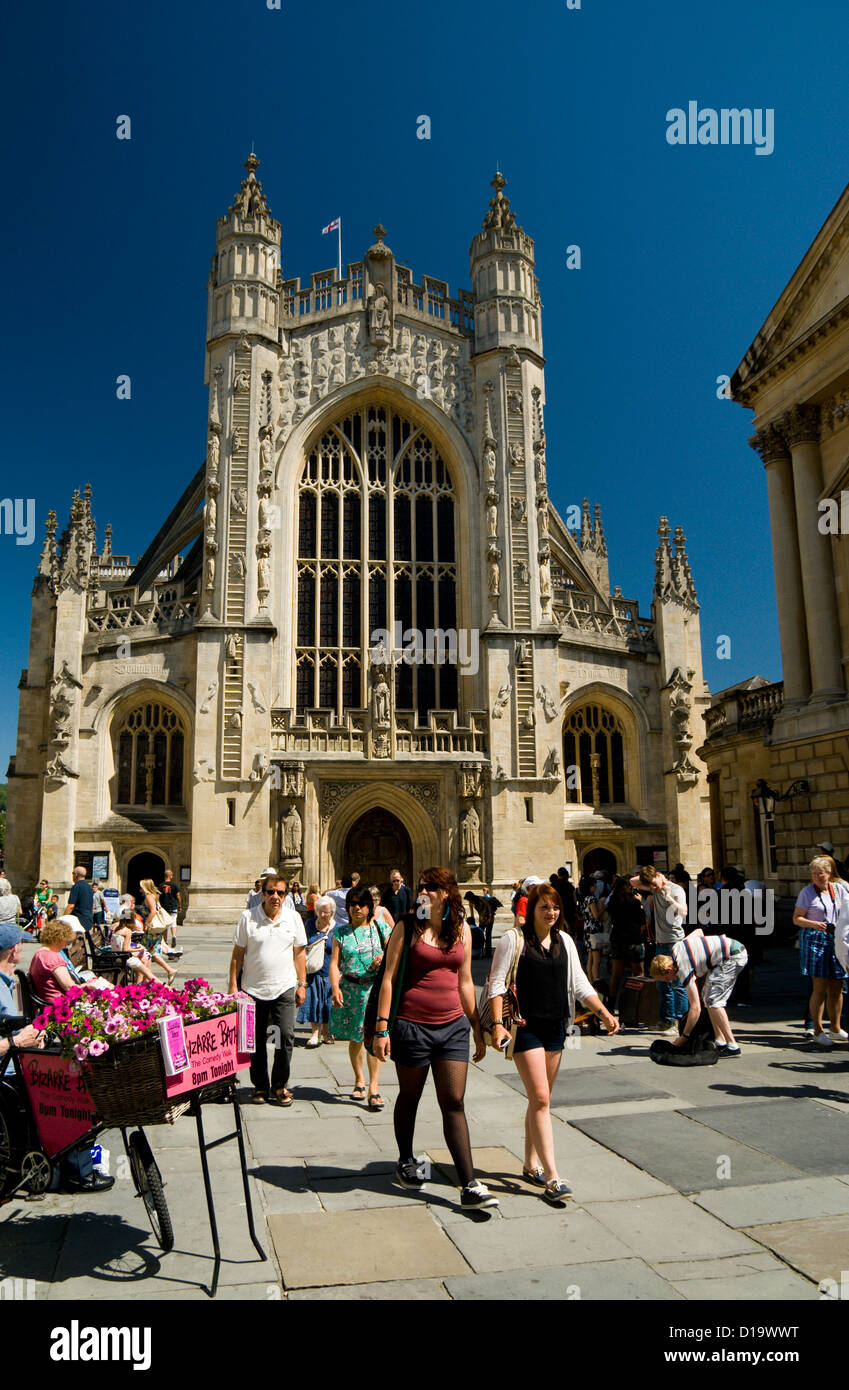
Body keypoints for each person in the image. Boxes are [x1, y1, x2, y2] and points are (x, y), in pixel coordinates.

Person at [373, 866, 499, 1210]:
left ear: (446, 893)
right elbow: (389, 977)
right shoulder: (407, 926)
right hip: (412, 1025)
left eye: (430, 887)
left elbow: (465, 981)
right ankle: (405, 1159)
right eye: (420, 887)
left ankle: (469, 1184)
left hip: (453, 1027)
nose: (422, 892)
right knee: (410, 1096)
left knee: (454, 1101)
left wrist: (476, 1026)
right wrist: (382, 1028)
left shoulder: (462, 929)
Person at [489, 883, 618, 1202]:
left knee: (539, 1100)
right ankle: (553, 1178)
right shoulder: (513, 940)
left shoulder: (565, 941)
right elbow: (496, 983)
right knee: (542, 1097)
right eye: (544, 907)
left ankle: (530, 1164)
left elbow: (579, 984)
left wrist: (603, 1013)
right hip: (525, 1027)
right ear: (531, 909)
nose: (551, 913)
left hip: (556, 1026)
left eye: (555, 907)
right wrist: (497, 1025)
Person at [0, 923, 114, 1193]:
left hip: (19, 1058)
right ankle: (78, 1171)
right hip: (9, 1069)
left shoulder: (6, 981)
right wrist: (19, 1041)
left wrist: (31, 1037)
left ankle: (69, 1161)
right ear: (14, 950)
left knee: (76, 1073)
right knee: (72, 1091)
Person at [228, 872, 307, 1105]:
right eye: (271, 892)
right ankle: (260, 1086)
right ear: (262, 894)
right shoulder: (248, 917)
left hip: (284, 986)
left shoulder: (293, 918)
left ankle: (280, 1084)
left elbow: (299, 953)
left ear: (286, 895)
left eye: (280, 892)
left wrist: (302, 984)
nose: (275, 896)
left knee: (285, 1035)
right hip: (252, 988)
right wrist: (233, 986)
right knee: (255, 1040)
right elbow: (238, 954)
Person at [329, 887, 390, 1108]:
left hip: (374, 991)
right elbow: (334, 964)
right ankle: (359, 1080)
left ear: (369, 907)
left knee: (373, 1037)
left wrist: (382, 955)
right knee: (355, 1038)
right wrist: (335, 987)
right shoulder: (341, 933)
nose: (357, 908)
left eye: (362, 904)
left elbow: (395, 952)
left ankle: (374, 1087)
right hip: (351, 990)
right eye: (353, 904)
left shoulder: (380, 928)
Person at [650, 928, 748, 1056]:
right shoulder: (677, 947)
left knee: (714, 1001)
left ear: (669, 969)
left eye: (666, 979)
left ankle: (732, 1045)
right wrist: (713, 944)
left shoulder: (683, 969)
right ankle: (720, 1041)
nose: (669, 981)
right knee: (707, 998)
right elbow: (699, 931)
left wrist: (684, 1037)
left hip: (732, 956)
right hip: (729, 951)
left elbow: (695, 1008)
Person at [793, 856, 849, 1047]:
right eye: (814, 873)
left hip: (837, 938)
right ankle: (817, 1030)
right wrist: (814, 923)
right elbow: (797, 918)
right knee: (820, 986)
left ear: (829, 873)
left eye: (821, 873)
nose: (817, 877)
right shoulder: (807, 892)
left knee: (837, 985)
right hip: (815, 939)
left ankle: (835, 1027)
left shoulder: (839, 889)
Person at [635, 865, 688, 1035]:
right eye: (650, 885)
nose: (652, 888)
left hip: (675, 942)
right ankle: (667, 1020)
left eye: (653, 884)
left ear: (658, 876)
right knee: (661, 983)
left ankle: (681, 1023)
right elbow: (632, 881)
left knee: (677, 984)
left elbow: (684, 911)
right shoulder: (654, 888)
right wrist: (652, 881)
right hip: (661, 943)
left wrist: (668, 896)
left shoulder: (676, 889)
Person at [298, 894, 335, 1047]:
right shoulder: (310, 924)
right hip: (312, 971)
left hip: (329, 972)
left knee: (327, 1004)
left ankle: (326, 1032)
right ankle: (315, 1033)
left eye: (326, 912)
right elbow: (302, 945)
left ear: (332, 912)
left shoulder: (337, 928)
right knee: (314, 1002)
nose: (323, 914)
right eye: (320, 911)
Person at [606, 875, 648, 1009]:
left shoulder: (613, 901)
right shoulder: (634, 902)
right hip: (634, 939)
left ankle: (611, 1005)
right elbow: (642, 920)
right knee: (638, 974)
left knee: (616, 975)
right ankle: (638, 1006)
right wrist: (640, 904)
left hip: (617, 939)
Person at [137, 879, 178, 982]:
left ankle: (148, 977)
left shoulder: (149, 896)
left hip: (151, 929)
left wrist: (146, 923)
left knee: (146, 952)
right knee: (151, 953)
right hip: (154, 930)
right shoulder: (153, 895)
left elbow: (153, 911)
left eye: (141, 886)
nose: (140, 888)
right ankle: (165, 971)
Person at [66, 865, 94, 933]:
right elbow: (92, 905)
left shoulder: (76, 886)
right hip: (88, 919)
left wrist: (64, 918)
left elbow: (71, 905)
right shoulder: (89, 887)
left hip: (78, 919)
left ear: (76, 875)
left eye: (73, 873)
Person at [159, 869, 182, 943]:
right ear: (171, 876)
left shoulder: (161, 886)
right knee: (173, 922)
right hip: (173, 906)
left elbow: (158, 897)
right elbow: (178, 896)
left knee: (165, 924)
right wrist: (179, 906)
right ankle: (174, 936)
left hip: (164, 907)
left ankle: (165, 941)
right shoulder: (174, 885)